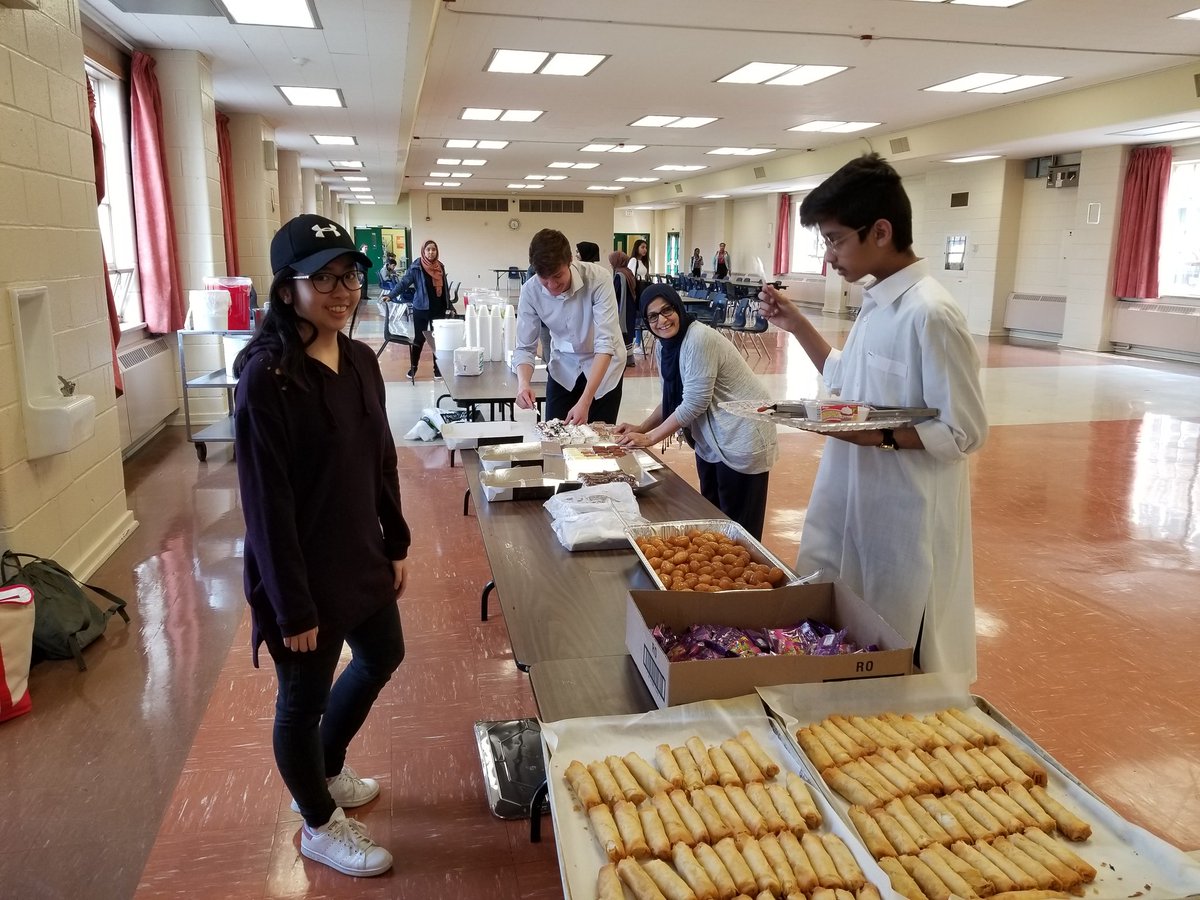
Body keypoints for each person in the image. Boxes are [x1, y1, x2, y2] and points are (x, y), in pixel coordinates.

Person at [757, 153, 988, 677]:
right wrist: (796, 326)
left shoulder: (931, 313)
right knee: (842, 624)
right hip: (850, 495)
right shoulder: (876, 303)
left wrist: (875, 437)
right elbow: (846, 382)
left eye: (836, 239)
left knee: (897, 643)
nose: (830, 256)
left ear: (880, 231)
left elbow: (965, 430)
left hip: (904, 516)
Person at [232, 213, 409, 878]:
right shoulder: (268, 381)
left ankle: (327, 768)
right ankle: (316, 822)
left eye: (350, 275)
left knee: (382, 653)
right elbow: (265, 506)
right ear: (287, 290)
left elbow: (381, 459)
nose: (342, 290)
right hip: (299, 574)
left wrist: (396, 540)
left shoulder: (362, 359)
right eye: (323, 278)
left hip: (360, 555)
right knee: (300, 703)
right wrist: (293, 607)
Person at [616, 284, 777, 539]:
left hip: (742, 433)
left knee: (738, 529)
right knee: (713, 517)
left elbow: (694, 403)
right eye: (653, 316)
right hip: (714, 438)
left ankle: (745, 580)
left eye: (667, 310)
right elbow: (674, 400)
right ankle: (719, 577)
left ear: (677, 308)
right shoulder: (665, 346)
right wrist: (641, 428)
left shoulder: (698, 339)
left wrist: (649, 439)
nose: (662, 320)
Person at [513, 228, 626, 423]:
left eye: (557, 276)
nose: (552, 285)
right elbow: (525, 347)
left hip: (603, 369)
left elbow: (605, 344)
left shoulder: (598, 279)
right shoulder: (530, 291)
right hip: (563, 367)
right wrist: (523, 384)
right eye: (544, 279)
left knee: (598, 442)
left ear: (570, 260)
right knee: (554, 439)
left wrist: (585, 401)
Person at [397, 239, 450, 381]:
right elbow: (404, 283)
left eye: (434, 249)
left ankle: (437, 370)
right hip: (421, 308)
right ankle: (413, 367)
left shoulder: (440, 266)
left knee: (436, 340)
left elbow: (444, 287)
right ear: (423, 251)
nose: (431, 252)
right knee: (419, 339)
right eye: (428, 250)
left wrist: (448, 305)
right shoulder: (416, 267)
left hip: (438, 309)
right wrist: (391, 295)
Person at [609, 249, 638, 366]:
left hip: (623, 309)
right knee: (628, 333)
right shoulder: (628, 272)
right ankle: (629, 358)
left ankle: (624, 359)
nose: (611, 264)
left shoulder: (620, 275)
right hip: (630, 308)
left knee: (622, 333)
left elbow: (615, 294)